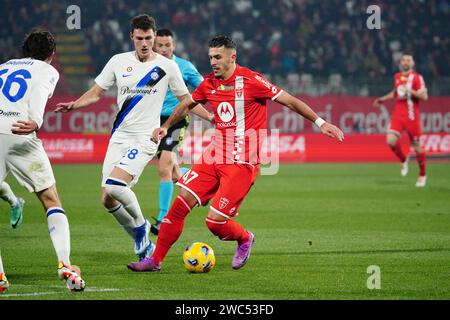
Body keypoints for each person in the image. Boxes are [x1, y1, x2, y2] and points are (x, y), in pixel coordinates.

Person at [127, 36, 344, 272]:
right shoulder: (209, 83)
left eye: (218, 57)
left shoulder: (251, 81)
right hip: (214, 156)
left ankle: (244, 238)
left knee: (214, 223)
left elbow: (290, 101)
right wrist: (167, 125)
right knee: (179, 206)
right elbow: (187, 104)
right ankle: (154, 261)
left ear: (233, 57)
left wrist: (321, 122)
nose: (213, 62)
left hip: (242, 162)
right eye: (210, 57)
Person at [55, 15, 212, 263]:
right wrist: (75, 105)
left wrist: (212, 118)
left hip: (146, 137)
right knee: (107, 198)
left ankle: (141, 227)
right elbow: (96, 93)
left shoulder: (167, 66)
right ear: (132, 37)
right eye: (140, 38)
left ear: (154, 36)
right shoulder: (118, 62)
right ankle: (145, 244)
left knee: (117, 186)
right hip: (119, 136)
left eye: (149, 38)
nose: (145, 43)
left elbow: (186, 100)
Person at [0, 29, 85, 292]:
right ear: (52, 55)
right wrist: (36, 120)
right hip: (19, 133)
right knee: (50, 199)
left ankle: (0, 276)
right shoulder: (47, 70)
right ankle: (65, 263)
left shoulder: (4, 67)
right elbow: (37, 92)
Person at [151, 28, 208, 236]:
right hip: (151, 122)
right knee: (174, 172)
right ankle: (201, 182)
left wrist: (212, 113)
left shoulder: (184, 67)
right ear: (155, 46)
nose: (164, 49)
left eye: (168, 45)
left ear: (173, 46)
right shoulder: (149, 67)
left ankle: (162, 218)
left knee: (164, 167)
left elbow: (204, 89)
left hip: (175, 122)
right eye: (160, 45)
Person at [373, 53, 428, 187]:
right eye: (403, 60)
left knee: (417, 148)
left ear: (413, 63)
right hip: (398, 115)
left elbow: (424, 96)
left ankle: (422, 174)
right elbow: (395, 92)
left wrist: (410, 91)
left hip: (412, 116)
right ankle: (404, 159)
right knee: (390, 141)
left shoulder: (417, 78)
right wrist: (382, 99)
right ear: (400, 63)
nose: (405, 62)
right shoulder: (397, 77)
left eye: (408, 60)